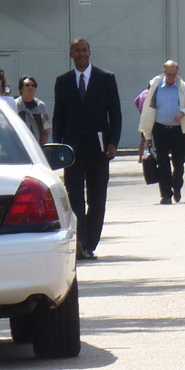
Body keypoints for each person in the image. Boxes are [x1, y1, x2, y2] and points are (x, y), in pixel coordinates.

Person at [50, 38, 122, 260]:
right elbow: (58, 117)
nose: (81, 54)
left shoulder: (105, 78)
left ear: (90, 52)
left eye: (84, 50)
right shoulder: (63, 82)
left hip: (99, 150)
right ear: (71, 54)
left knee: (97, 199)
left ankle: (91, 243)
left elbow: (115, 113)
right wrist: (58, 148)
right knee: (74, 199)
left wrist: (113, 142)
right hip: (72, 151)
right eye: (76, 51)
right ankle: (79, 242)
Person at [137, 60, 185, 205]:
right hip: (160, 129)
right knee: (163, 163)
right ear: (164, 73)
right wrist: (147, 136)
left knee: (179, 162)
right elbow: (148, 112)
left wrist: (183, 113)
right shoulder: (155, 87)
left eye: (174, 74)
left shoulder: (184, 87)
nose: (172, 78)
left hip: (178, 131)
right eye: (169, 74)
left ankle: (176, 187)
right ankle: (165, 194)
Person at [13, 76, 49, 143]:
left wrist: (43, 148)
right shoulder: (15, 105)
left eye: (33, 85)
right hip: (20, 146)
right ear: (21, 89)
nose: (30, 87)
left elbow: (46, 129)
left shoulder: (41, 106)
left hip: (38, 147)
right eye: (27, 85)